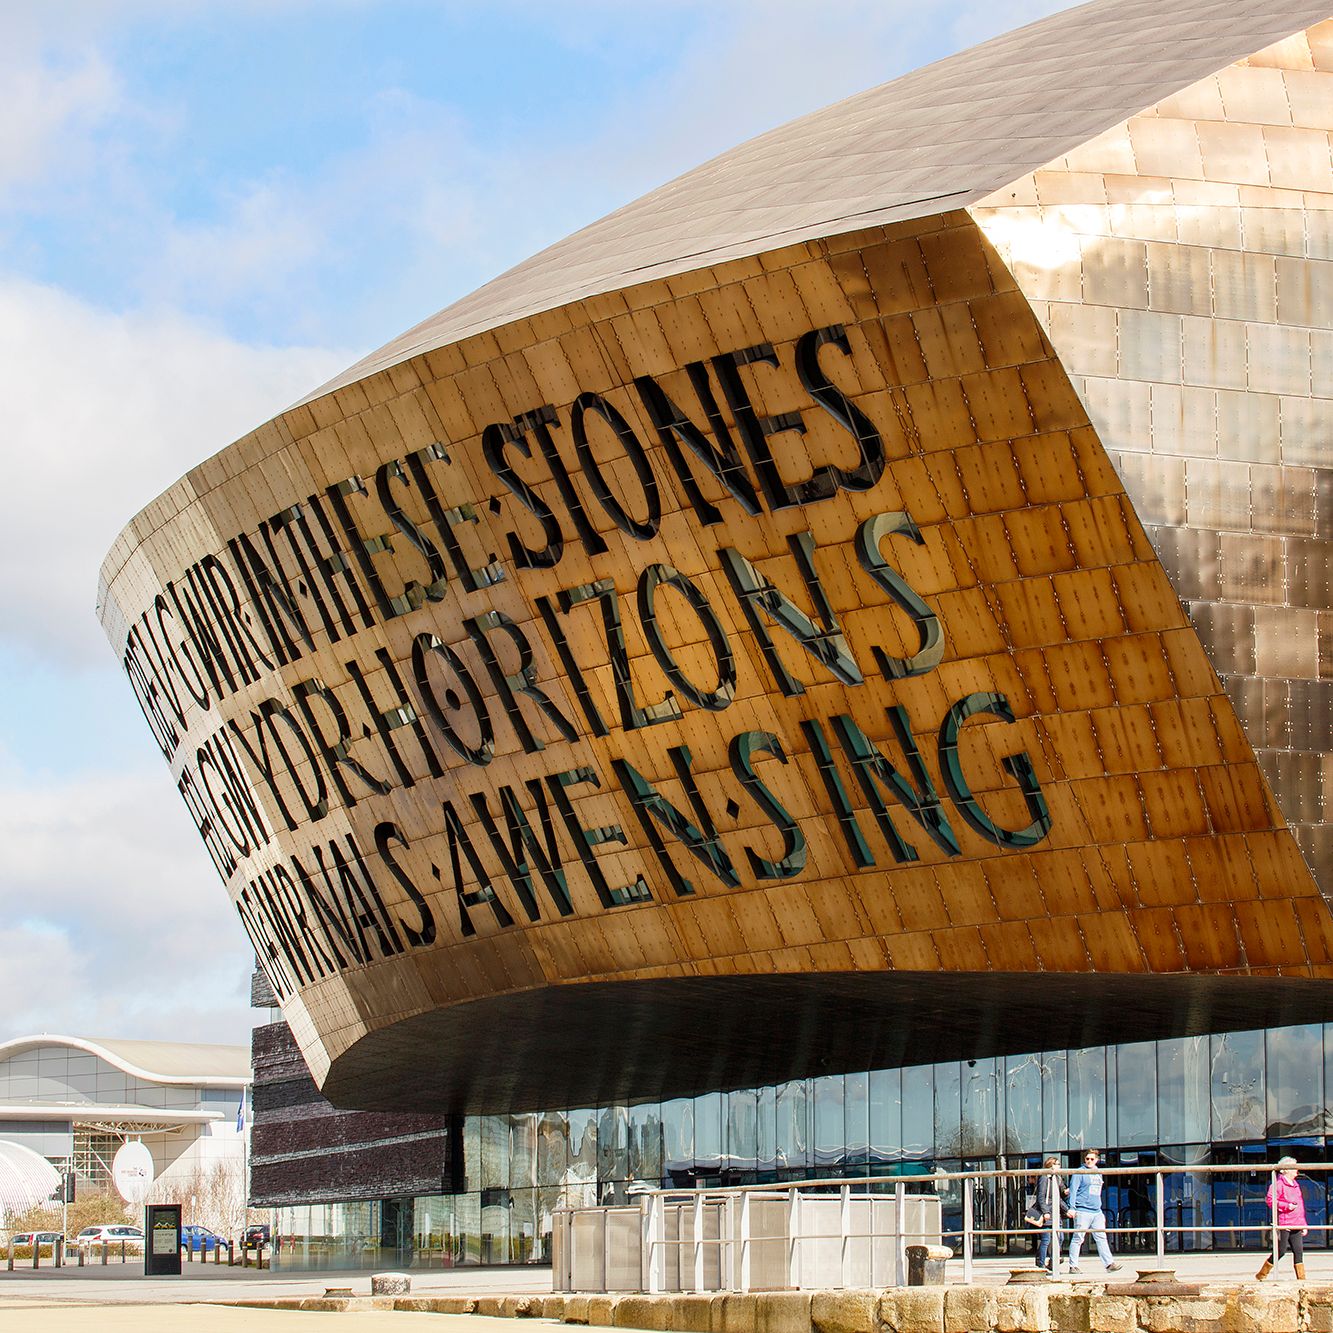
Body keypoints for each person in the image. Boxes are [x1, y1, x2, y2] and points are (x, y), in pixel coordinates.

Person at [1068, 1149, 1122, 1274]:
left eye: (1092, 1159)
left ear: (1097, 1160)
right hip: (1083, 1210)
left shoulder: (1098, 1172)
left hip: (1097, 1211)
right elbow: (1073, 1190)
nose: (1089, 1161)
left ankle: (1109, 1264)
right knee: (1078, 1238)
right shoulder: (1079, 1172)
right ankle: (1073, 1265)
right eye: (1087, 1159)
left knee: (1101, 1237)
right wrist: (1072, 1207)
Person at [1256, 1156, 1308, 1281]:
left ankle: (1301, 1279)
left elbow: (1300, 1206)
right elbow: (1270, 1200)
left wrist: (1304, 1224)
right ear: (1285, 1170)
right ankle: (1262, 1273)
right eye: (1293, 1168)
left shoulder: (1296, 1185)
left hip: (1297, 1222)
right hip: (1285, 1222)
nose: (1296, 1170)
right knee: (1281, 1250)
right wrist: (1286, 1206)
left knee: (1298, 1250)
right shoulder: (1278, 1185)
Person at [1031, 1155, 1070, 1272]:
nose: (1059, 1166)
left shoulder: (1057, 1178)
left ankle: (1053, 1261)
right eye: (1056, 1164)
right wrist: (1045, 1211)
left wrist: (1066, 1194)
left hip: (1056, 1213)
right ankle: (1041, 1263)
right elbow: (1041, 1197)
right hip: (1048, 1212)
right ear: (1050, 1165)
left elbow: (1060, 1195)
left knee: (1060, 1238)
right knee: (1046, 1239)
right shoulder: (1044, 1178)